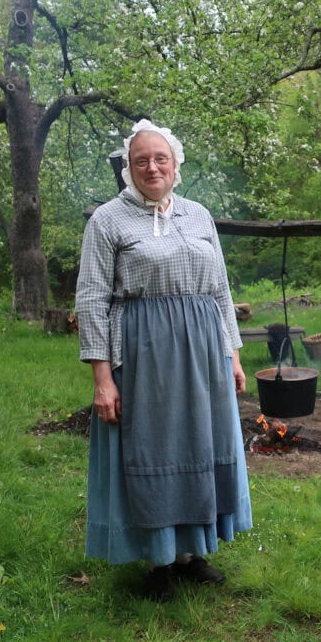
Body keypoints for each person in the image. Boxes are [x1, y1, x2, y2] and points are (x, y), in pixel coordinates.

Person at [75, 119, 252, 602]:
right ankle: (157, 560)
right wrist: (102, 378)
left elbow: (220, 291)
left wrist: (231, 356)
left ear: (175, 166)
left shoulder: (199, 215)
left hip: (202, 351)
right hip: (141, 351)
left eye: (160, 159)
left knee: (198, 444)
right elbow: (91, 299)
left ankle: (191, 554)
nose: (151, 167)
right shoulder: (108, 221)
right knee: (153, 448)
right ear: (128, 169)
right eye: (140, 160)